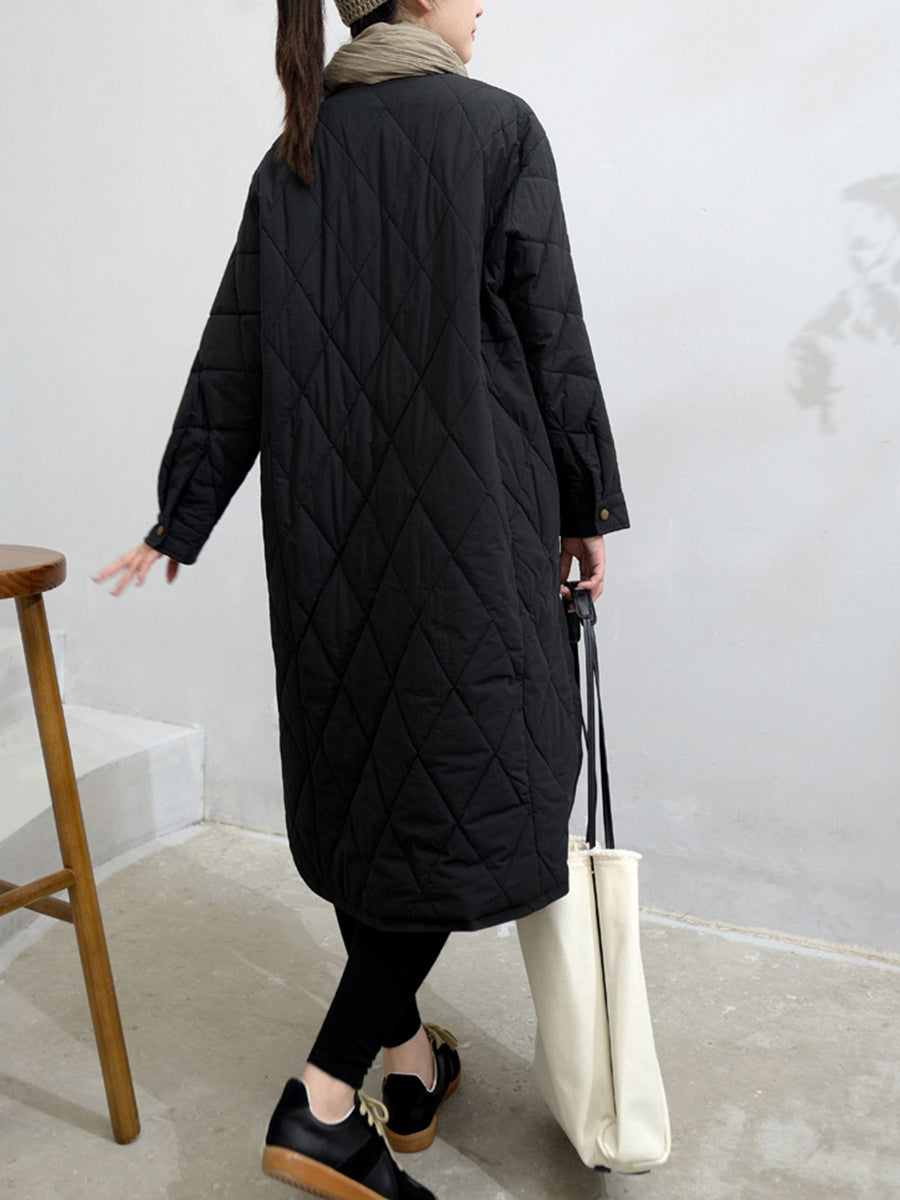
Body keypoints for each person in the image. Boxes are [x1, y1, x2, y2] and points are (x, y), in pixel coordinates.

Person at [92, 0, 630, 1196]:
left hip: (329, 538)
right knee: (467, 793)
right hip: (471, 533)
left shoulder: (294, 149)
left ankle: (408, 1063)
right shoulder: (495, 128)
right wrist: (584, 503)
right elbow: (551, 332)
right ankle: (326, 1099)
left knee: (378, 790)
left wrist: (180, 514)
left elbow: (234, 351)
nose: (485, 5)